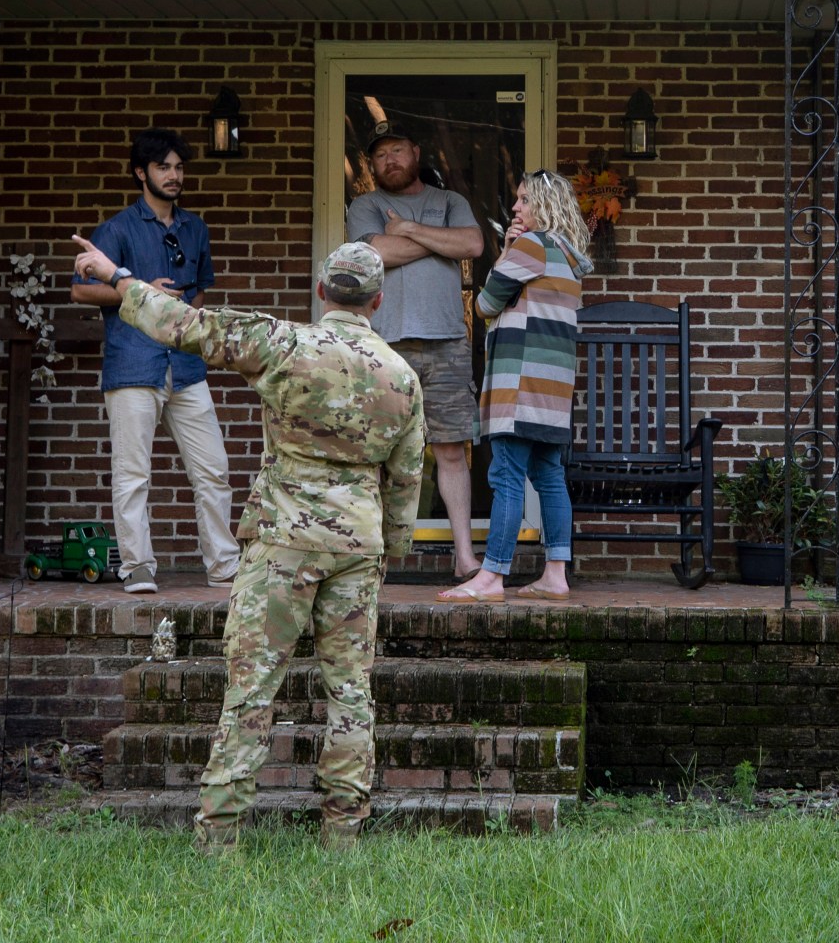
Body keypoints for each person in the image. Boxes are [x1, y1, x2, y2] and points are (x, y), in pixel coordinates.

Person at [70, 235, 425, 856]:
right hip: (357, 547)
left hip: (283, 542)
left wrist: (117, 276)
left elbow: (185, 325)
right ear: (377, 301)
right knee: (350, 692)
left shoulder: (284, 343)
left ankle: (221, 836)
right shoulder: (402, 376)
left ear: (322, 293)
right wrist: (391, 547)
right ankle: (343, 835)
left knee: (252, 690)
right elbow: (406, 480)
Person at [70, 129, 239, 593]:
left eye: (179, 167)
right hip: (133, 364)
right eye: (164, 167)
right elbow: (81, 288)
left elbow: (201, 286)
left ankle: (224, 566)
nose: (174, 175)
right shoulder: (116, 228)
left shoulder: (195, 227)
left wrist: (183, 316)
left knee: (214, 469)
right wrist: (143, 293)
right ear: (141, 173)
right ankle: (137, 567)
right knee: (132, 473)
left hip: (186, 365)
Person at [439, 171, 592, 603]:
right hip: (553, 392)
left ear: (544, 205)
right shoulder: (568, 255)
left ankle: (491, 576)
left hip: (520, 385)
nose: (517, 207)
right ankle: (555, 574)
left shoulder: (531, 246)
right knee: (548, 475)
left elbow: (486, 303)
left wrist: (506, 249)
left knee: (505, 475)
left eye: (524, 200)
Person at [344, 121, 485, 576]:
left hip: (447, 343)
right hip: (385, 345)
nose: (390, 161)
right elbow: (377, 253)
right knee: (379, 452)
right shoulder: (366, 204)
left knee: (450, 448)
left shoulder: (450, 202)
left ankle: (464, 557)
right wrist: (432, 238)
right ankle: (375, 560)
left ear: (416, 152)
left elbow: (473, 243)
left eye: (398, 150)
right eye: (381, 155)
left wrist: (408, 229)